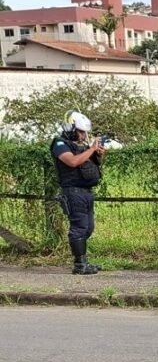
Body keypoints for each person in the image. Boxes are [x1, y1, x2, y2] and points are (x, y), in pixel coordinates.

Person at [51, 110, 106, 275]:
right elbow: (73, 162)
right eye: (81, 132)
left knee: (88, 228)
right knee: (79, 227)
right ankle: (79, 264)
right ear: (71, 128)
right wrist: (90, 150)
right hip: (73, 192)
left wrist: (97, 154)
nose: (83, 136)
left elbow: (88, 163)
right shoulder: (60, 144)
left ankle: (83, 260)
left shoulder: (80, 147)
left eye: (85, 132)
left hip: (86, 192)